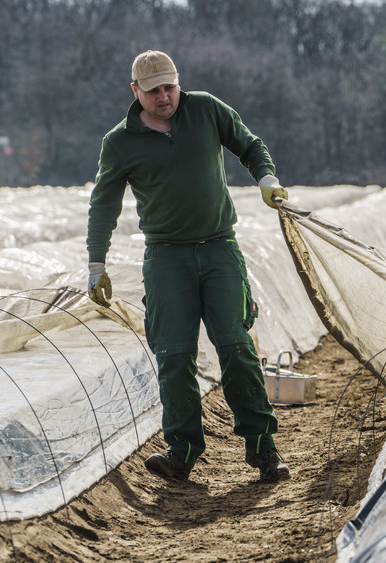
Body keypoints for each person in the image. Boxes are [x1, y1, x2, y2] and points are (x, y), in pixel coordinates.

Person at [85, 50, 291, 483]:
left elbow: (250, 145)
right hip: (166, 257)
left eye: (170, 87)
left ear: (179, 83)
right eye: (154, 90)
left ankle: (263, 448)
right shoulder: (119, 142)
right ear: (135, 90)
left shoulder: (206, 109)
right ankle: (181, 451)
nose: (164, 97)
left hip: (219, 249)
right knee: (174, 355)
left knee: (236, 345)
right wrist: (96, 263)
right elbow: (104, 204)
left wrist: (266, 178)